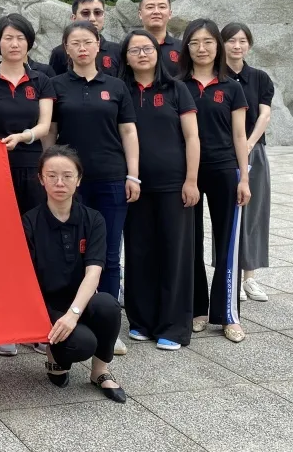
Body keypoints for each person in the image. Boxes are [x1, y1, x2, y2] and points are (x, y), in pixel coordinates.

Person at [47, 21, 138, 355]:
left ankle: (108, 326)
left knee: (110, 253)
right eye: (75, 43)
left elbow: (128, 132)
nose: (82, 48)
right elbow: (50, 132)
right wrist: (51, 174)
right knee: (70, 253)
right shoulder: (56, 85)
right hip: (69, 184)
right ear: (66, 49)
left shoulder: (115, 86)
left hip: (111, 177)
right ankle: (69, 318)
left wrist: (133, 175)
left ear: (99, 45)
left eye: (88, 42)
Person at [0, 13, 55, 357]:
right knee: (0, 243)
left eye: (20, 37)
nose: (14, 43)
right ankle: (3, 323)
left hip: (32, 166)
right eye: (8, 37)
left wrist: (24, 136)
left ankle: (34, 322)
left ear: (29, 42)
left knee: (35, 241)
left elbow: (46, 125)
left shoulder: (41, 80)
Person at [23, 146, 126, 402]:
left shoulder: (93, 219)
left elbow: (94, 273)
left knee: (108, 305)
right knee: (82, 344)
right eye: (52, 176)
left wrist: (74, 314)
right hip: (46, 306)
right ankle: (55, 357)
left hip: (80, 301)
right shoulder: (29, 222)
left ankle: (100, 371)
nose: (60, 182)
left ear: (78, 179)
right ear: (41, 179)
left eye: (67, 176)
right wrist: (59, 317)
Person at [120, 29, 200, 350]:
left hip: (173, 184)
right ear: (125, 57)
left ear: (158, 53)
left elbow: (192, 137)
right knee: (139, 251)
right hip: (134, 185)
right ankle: (141, 321)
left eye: (148, 48)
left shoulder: (176, 89)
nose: (142, 54)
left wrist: (191, 180)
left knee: (174, 253)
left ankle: (174, 326)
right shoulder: (120, 90)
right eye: (134, 50)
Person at [179, 19, 251, 343]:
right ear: (187, 47)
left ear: (217, 47)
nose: (202, 48)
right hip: (187, 174)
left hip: (225, 170)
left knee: (227, 243)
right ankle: (198, 309)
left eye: (208, 42)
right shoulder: (178, 85)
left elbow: (240, 136)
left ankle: (227, 314)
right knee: (190, 241)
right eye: (195, 42)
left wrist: (244, 177)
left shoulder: (231, 87)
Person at [222, 22, 274, 304]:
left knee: (253, 213)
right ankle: (229, 275)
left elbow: (264, 115)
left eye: (242, 41)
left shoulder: (260, 78)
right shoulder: (217, 78)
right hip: (223, 153)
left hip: (254, 150)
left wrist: (249, 144)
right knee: (227, 214)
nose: (237, 46)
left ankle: (249, 277)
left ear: (249, 45)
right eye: (231, 40)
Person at [48, 0, 121, 77]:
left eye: (97, 12)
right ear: (74, 18)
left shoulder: (117, 50)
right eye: (85, 13)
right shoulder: (60, 52)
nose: (92, 18)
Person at [138, 0, 183, 76]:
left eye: (162, 7)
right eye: (150, 7)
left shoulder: (182, 48)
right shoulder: (129, 47)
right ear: (140, 14)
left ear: (170, 14)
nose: (156, 12)